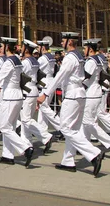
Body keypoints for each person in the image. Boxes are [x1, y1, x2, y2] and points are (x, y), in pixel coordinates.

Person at [37, 32, 104, 176]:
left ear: (69, 42)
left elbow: (59, 77)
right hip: (80, 94)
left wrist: (45, 94)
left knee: (66, 129)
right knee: (73, 129)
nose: (61, 43)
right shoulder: (79, 56)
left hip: (72, 95)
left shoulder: (69, 58)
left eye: (63, 41)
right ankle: (68, 161)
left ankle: (94, 153)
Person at [0, 37, 33, 166]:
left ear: (6, 47)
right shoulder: (17, 60)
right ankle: (7, 155)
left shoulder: (9, 62)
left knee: (4, 127)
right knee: (10, 127)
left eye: (1, 46)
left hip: (10, 96)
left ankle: (25, 148)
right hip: (17, 95)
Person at [82, 39, 110, 159]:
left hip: (91, 93)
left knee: (88, 122)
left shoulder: (91, 61)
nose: (83, 50)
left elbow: (85, 76)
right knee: (87, 121)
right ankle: (85, 144)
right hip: (95, 92)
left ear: (90, 49)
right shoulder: (98, 59)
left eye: (85, 48)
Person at [19, 39, 54, 153]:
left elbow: (19, 75)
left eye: (23, 47)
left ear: (26, 49)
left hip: (27, 89)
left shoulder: (25, 62)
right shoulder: (34, 61)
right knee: (25, 120)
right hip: (32, 89)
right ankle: (27, 145)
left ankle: (45, 136)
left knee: (26, 119)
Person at [36, 40, 61, 134]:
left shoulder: (42, 59)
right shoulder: (51, 57)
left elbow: (36, 69)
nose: (38, 50)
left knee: (44, 107)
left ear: (42, 48)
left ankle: (60, 125)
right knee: (43, 110)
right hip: (50, 81)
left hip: (45, 82)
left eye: (39, 48)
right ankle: (42, 130)